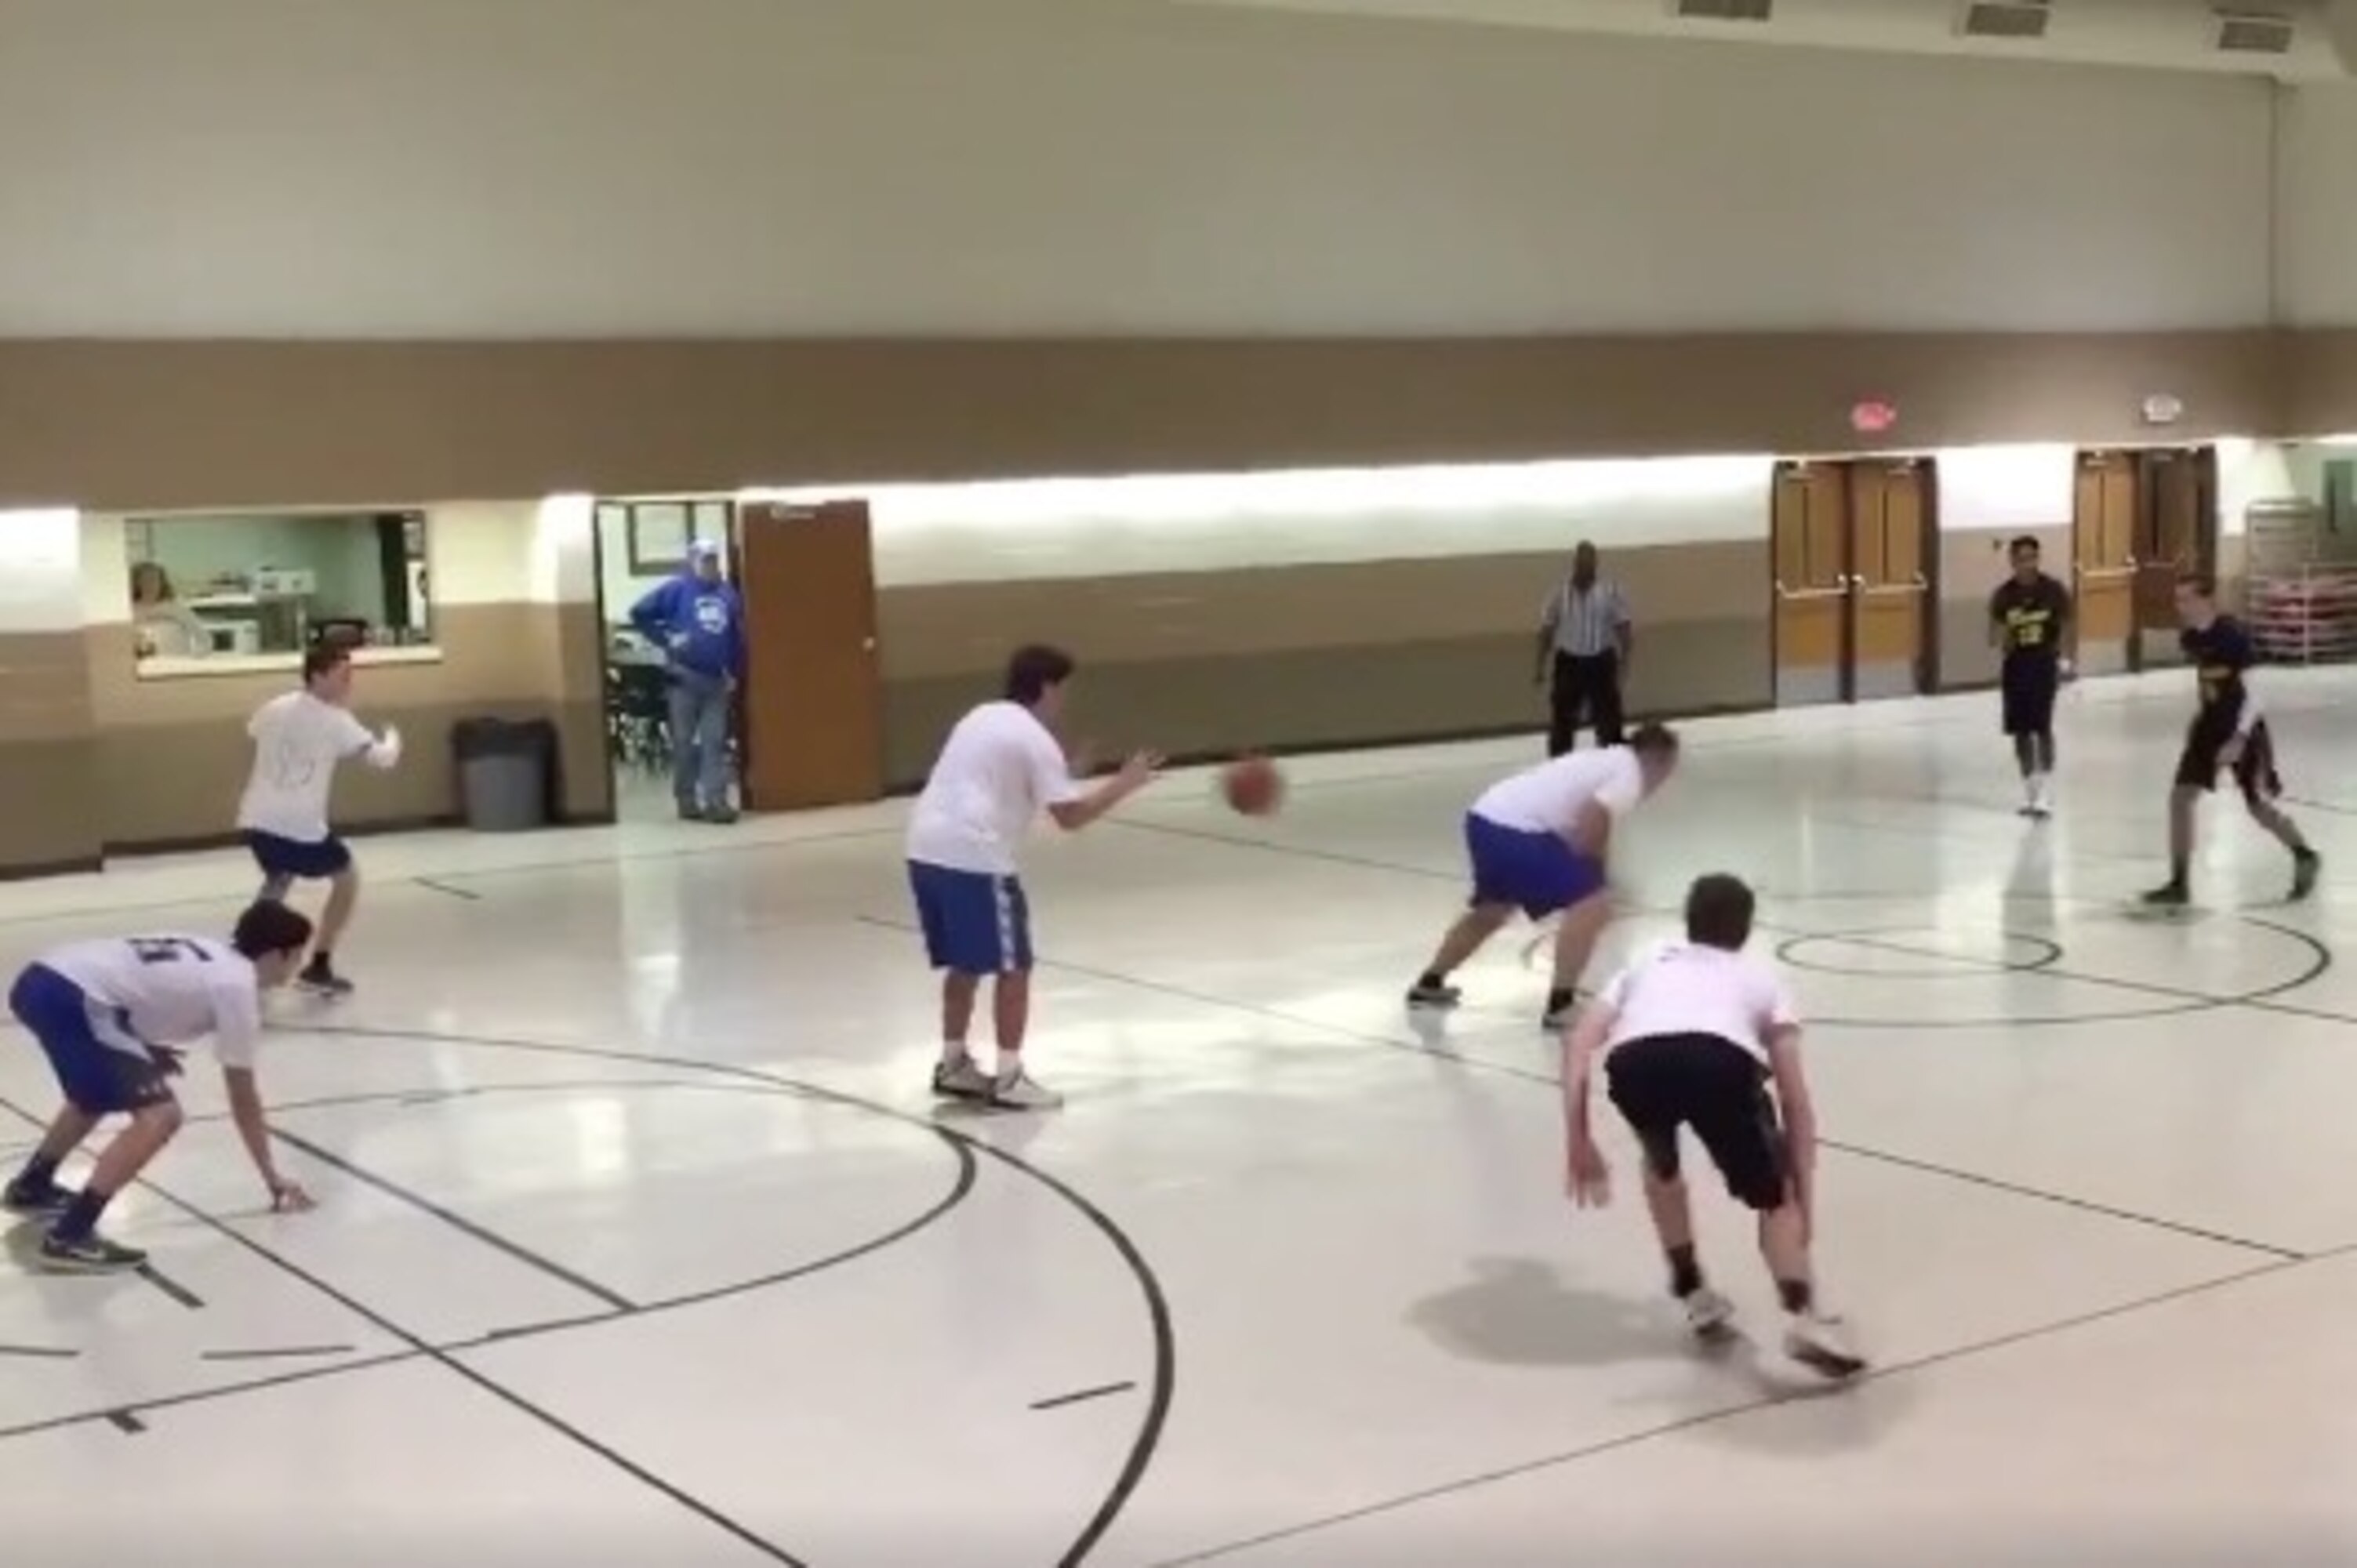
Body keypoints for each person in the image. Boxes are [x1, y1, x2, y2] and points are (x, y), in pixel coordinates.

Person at [1561, 873, 1862, 1377]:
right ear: (1745, 930)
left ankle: (1693, 1290)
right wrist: (1799, 1197)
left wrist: (1578, 1138)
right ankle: (1800, 1313)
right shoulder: (1762, 978)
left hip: (1635, 1065)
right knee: (1774, 1197)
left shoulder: (1647, 961)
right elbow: (1793, 1095)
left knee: (1660, 1168)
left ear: (1689, 920)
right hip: (1717, 1063)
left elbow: (1578, 1044)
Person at [0, 901, 320, 1272]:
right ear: (280, 953)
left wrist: (140, 1050)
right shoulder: (238, 988)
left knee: (95, 1093)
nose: (297, 965)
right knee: (161, 1116)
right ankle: (71, 1235)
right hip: (77, 997)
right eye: (298, 956)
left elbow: (135, 987)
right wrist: (273, 1177)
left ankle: (32, 1187)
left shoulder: (210, 953)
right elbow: (242, 1095)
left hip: (43, 979)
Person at [906, 644, 1159, 1111]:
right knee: (1013, 966)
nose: (1064, 700)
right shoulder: (1035, 738)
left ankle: (953, 1062)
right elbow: (1071, 817)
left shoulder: (981, 716)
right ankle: (1009, 1076)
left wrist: (1072, 771)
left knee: (964, 964)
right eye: (1063, 690)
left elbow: (1012, 781)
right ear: (1047, 687)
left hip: (924, 849)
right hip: (973, 856)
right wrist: (1126, 783)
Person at [1407, 722, 1680, 1029]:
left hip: (1486, 817)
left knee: (1492, 910)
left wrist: (1591, 871)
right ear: (1661, 760)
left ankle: (1430, 982)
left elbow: (1586, 822)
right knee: (1591, 905)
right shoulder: (1631, 774)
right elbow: (1593, 821)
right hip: (1515, 828)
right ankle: (1560, 1005)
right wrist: (1595, 881)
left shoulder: (1609, 758)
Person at [2143, 574, 2320, 908]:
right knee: (2181, 798)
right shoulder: (2191, 638)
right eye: (2177, 599)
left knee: (2257, 806)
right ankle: (2179, 883)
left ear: (2207, 599)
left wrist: (2239, 738)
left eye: (2187, 598)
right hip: (2208, 728)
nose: (2181, 606)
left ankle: (2304, 853)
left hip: (2244, 729)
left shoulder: (2234, 636)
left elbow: (2257, 696)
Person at [235, 644, 403, 996]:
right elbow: (382, 759)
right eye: (343, 676)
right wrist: (393, 738)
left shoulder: (274, 707)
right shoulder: (336, 721)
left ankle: (241, 963)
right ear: (317, 675)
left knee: (277, 884)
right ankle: (319, 963)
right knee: (346, 878)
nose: (349, 684)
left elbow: (253, 730)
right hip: (299, 829)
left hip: (255, 819)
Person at [630, 539, 746, 823]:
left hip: (717, 680)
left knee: (714, 741)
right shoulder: (677, 589)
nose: (710, 565)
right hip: (683, 677)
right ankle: (686, 799)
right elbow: (639, 613)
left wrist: (735, 670)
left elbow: (736, 636)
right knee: (684, 742)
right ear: (692, 561)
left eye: (713, 560)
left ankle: (716, 802)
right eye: (704, 560)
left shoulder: (728, 594)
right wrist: (666, 638)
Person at [1987, 535, 2072, 818]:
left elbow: (2067, 625)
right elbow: (1994, 634)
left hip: (2044, 663)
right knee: (2020, 730)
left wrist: (2066, 660)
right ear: (2012, 561)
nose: (2026, 564)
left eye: (2031, 558)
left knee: (2042, 726)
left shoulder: (2053, 590)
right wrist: (2002, 636)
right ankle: (2031, 790)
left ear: (2038, 559)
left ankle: (2046, 790)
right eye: (2020, 558)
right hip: (2016, 666)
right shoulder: (2004, 595)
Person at [1534, 541, 1633, 757]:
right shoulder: (1558, 593)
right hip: (1569, 662)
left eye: (1590, 563)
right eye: (1581, 562)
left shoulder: (1611, 591)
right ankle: (1559, 765)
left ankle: (1612, 762)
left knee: (1609, 719)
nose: (1586, 567)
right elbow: (1546, 630)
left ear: (1596, 564)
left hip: (1602, 661)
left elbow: (1624, 627)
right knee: (1563, 720)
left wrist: (1625, 662)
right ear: (1575, 563)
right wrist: (1539, 666)